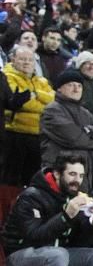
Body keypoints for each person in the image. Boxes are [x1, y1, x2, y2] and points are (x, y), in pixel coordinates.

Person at [1, 153, 93, 266]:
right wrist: (65, 216)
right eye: (72, 174)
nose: (77, 180)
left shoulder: (73, 197)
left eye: (81, 176)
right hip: (19, 255)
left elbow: (80, 243)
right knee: (58, 255)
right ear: (57, 174)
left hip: (59, 252)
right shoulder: (31, 196)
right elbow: (34, 236)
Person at [40, 67, 93, 193]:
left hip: (86, 173)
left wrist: (90, 131)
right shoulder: (52, 110)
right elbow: (74, 138)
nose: (76, 89)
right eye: (71, 85)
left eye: (79, 86)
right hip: (62, 173)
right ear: (59, 88)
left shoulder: (84, 112)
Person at [2, 44, 53, 186]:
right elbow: (22, 103)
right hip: (15, 135)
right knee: (11, 179)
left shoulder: (41, 81)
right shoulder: (7, 77)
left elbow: (53, 101)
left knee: (32, 178)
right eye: (22, 59)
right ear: (12, 59)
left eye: (30, 60)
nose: (26, 62)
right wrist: (42, 103)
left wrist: (36, 94)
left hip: (38, 136)